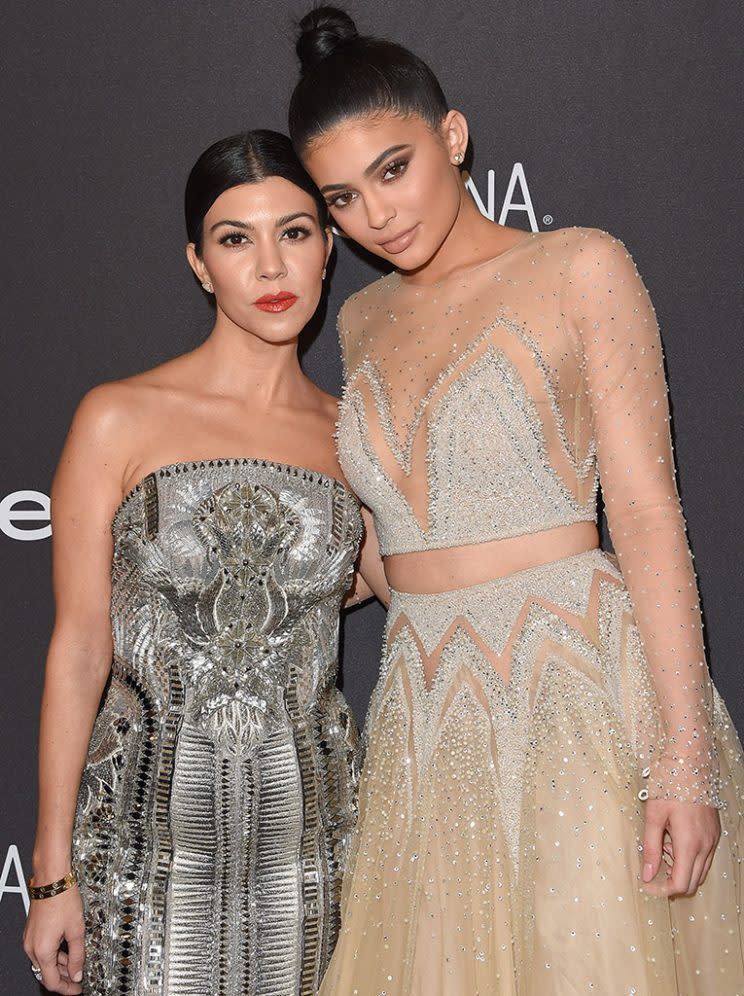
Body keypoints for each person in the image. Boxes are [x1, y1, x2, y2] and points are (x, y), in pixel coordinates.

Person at [288, 8, 744, 994]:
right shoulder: (360, 320)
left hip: (575, 686)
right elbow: (385, 546)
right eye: (343, 197)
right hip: (422, 704)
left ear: (452, 138)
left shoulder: (579, 265)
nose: (378, 214)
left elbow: (652, 514)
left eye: (394, 169)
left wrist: (684, 759)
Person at [22, 129, 386, 996]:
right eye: (236, 239)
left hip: (311, 855)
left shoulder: (355, 440)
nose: (270, 267)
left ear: (329, 250)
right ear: (197, 263)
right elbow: (80, 646)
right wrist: (50, 872)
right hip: (144, 849)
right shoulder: (118, 418)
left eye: (294, 233)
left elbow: (414, 590)